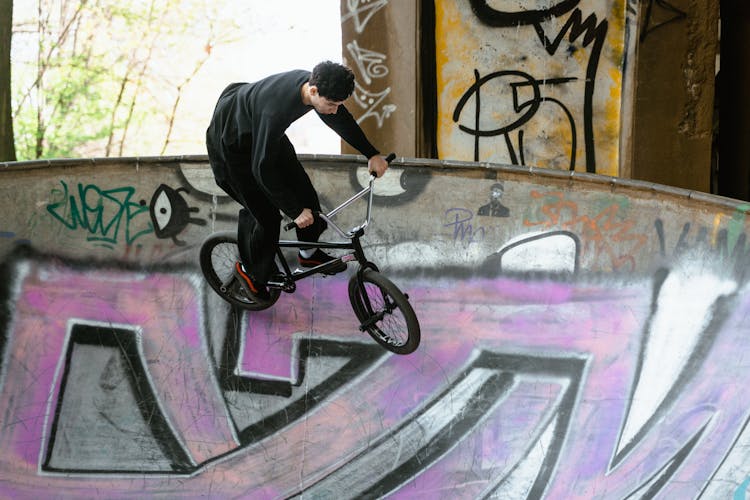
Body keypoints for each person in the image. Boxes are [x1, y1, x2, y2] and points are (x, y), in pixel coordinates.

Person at [206, 61, 388, 302]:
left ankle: (309, 253)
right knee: (266, 213)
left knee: (307, 197)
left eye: (339, 104)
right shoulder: (274, 111)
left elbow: (340, 119)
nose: (334, 110)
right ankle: (249, 272)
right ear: (313, 91)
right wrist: (293, 211)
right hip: (231, 148)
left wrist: (372, 153)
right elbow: (262, 169)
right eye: (331, 104)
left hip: (261, 134)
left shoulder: (314, 85)